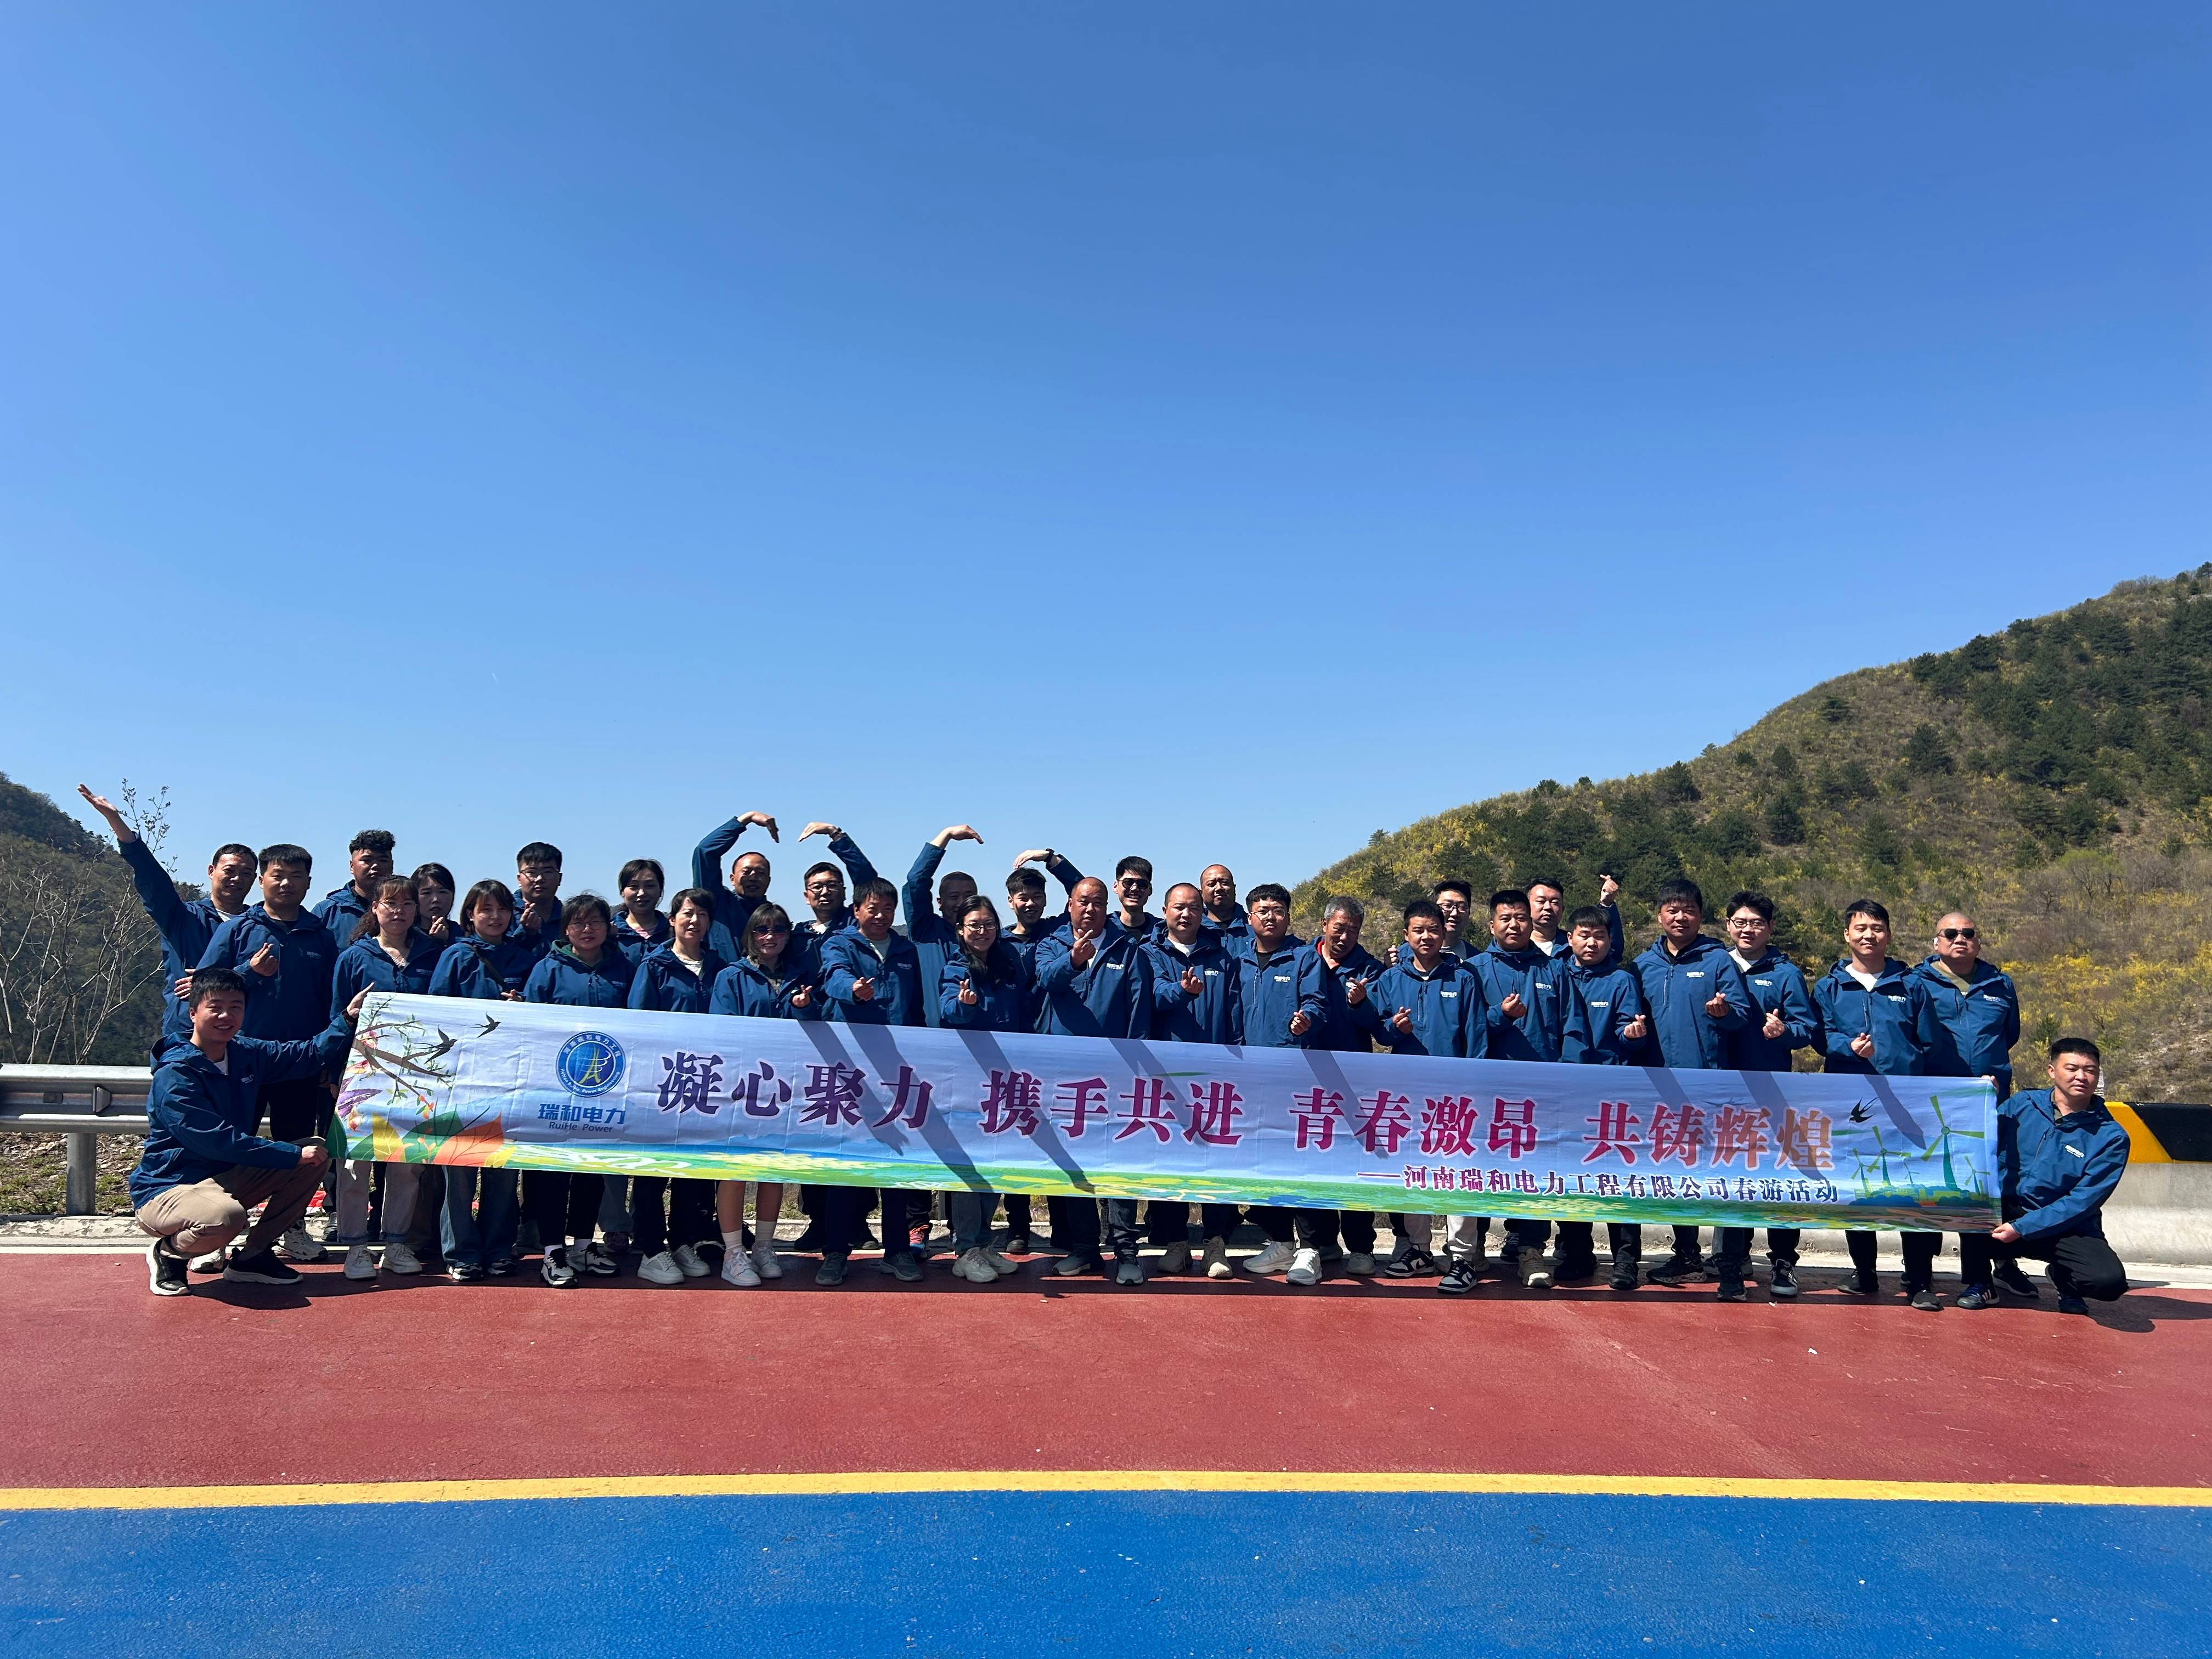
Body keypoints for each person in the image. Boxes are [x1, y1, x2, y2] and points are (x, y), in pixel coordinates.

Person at [132, 969, 364, 1296]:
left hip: (224, 1178)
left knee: (315, 1154)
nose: (226, 1016)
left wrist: (347, 1019)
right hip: (171, 1187)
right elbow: (214, 1140)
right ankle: (170, 1253)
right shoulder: (176, 1074)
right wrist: (290, 1154)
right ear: (194, 1012)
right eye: (216, 1007)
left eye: (236, 1007)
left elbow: (307, 1055)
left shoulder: (244, 1053)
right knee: (225, 1218)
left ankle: (252, 1257)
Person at [195, 843, 343, 1264]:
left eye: (296, 877)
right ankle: (217, 1234)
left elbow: (332, 1001)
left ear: (308, 883)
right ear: (262, 880)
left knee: (297, 1147)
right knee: (230, 1145)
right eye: (278, 875)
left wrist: (329, 1059)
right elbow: (206, 985)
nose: (286, 884)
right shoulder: (239, 929)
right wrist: (250, 973)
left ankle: (288, 1230)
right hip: (240, 1058)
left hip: (299, 1061)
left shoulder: (321, 936)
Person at [1811, 899, 1946, 1308]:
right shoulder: (1829, 987)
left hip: (1906, 1104)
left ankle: (1920, 1280)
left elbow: (1930, 1043)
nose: (1869, 935)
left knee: (1913, 1190)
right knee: (1858, 1189)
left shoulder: (1912, 985)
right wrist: (1847, 1047)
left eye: (1877, 928)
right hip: (1850, 1105)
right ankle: (1865, 1272)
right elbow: (1820, 1037)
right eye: (1861, 928)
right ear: (1847, 935)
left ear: (1888, 935)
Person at [1629, 878, 1753, 1287]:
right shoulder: (1643, 965)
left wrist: (1723, 1013)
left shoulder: (1718, 961)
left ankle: (1731, 1264)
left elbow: (1742, 1016)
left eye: (1689, 910)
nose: (1680, 917)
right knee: (1676, 1174)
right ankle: (1686, 1255)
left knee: (1718, 1175)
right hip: (1660, 1090)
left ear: (1701, 917)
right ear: (1659, 916)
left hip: (1709, 1087)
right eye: (1672, 910)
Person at [1034, 877, 1156, 1284]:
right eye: (1083, 902)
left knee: (1117, 1163)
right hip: (1065, 1078)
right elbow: (1045, 979)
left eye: (1098, 903)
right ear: (1070, 904)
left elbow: (1138, 1010)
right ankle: (1085, 1249)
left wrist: (1134, 1069)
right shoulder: (1052, 943)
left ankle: (1126, 1252)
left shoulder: (1127, 948)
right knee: (1075, 1165)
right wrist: (1072, 960)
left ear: (1108, 907)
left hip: (1115, 1077)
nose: (1090, 909)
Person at [1468, 888, 1590, 1288]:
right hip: (1490, 1093)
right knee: (1482, 1170)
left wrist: (1568, 1078)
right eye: (1505, 918)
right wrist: (1500, 1016)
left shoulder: (1554, 970)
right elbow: (1467, 1029)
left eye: (1521, 917)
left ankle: (1531, 1250)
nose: (1514, 925)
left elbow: (1574, 1027)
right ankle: (1474, 1248)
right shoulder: (1474, 970)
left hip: (1543, 1094)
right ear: (1491, 925)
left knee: (1535, 1172)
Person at [1957, 1039, 2130, 1314]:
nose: (2081, 1077)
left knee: (2108, 1282)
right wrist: (1984, 1100)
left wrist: (2023, 1228)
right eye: (2072, 1068)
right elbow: (1978, 1136)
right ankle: (1982, 1282)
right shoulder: (2022, 1104)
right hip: (2007, 1210)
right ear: (2052, 1071)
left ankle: (2065, 1279)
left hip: (2064, 1222)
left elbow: (2081, 1201)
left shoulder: (2111, 1137)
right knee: (1969, 1203)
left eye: (2090, 1070)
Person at [1368, 900, 1491, 1286]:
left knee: (1458, 1175)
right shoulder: (1391, 978)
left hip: (1455, 1096)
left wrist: (1474, 1088)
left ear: (1444, 934)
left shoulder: (1463, 978)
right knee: (1414, 1172)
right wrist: (1395, 1028)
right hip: (1408, 1093)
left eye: (1433, 930)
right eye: (1418, 930)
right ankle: (1419, 1249)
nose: (1426, 937)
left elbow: (1477, 1036)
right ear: (1406, 935)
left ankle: (1463, 1258)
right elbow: (1380, 1032)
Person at [326, 874, 442, 1280]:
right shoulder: (354, 958)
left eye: (407, 904)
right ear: (374, 909)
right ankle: (356, 1247)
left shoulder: (433, 956)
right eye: (390, 904)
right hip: (362, 1075)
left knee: (407, 1164)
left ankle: (396, 1244)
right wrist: (336, 1072)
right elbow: (337, 1016)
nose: (399, 911)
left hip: (418, 1078)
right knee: (355, 1164)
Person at [77, 785, 254, 1042]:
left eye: (246, 874)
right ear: (211, 871)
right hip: (186, 1035)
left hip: (246, 1037)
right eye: (229, 871)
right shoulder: (183, 918)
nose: (237, 879)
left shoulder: (258, 927)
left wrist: (218, 979)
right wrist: (116, 821)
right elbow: (152, 878)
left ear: (256, 880)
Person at [521, 893, 635, 1286]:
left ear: (608, 927)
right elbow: (532, 1027)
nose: (587, 930)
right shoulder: (547, 969)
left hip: (607, 1088)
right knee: (554, 1173)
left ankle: (584, 1246)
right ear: (566, 929)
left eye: (596, 922)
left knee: (591, 1170)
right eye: (578, 923)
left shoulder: (625, 968)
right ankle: (552, 1252)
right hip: (556, 1090)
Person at [817, 876, 928, 1283]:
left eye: (887, 909)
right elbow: (833, 977)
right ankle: (835, 1252)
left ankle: (896, 1251)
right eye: (873, 909)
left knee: (896, 1163)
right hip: (851, 1071)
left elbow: (916, 1007)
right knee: (846, 1164)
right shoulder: (839, 944)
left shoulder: (906, 950)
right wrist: (853, 990)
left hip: (896, 1072)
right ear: (857, 911)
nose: (880, 916)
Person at [1713, 890, 1821, 1302]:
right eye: (1740, 922)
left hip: (1773, 1092)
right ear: (1728, 925)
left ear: (1770, 928)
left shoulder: (1786, 973)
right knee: (1730, 1178)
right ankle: (1732, 1261)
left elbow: (1806, 1029)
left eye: (1756, 923)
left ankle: (1783, 1261)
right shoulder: (1715, 965)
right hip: (1724, 1093)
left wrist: (1784, 1032)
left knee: (1779, 1179)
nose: (1748, 930)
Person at [708, 901, 818, 1285]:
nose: (770, 937)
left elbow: (817, 1029)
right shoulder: (731, 977)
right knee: (736, 1169)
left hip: (787, 1088)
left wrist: (804, 1008)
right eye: (762, 930)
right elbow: (722, 1030)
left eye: (778, 930)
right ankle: (733, 1253)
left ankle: (765, 1247)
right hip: (741, 1088)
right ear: (750, 935)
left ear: (788, 936)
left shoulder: (802, 977)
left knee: (774, 1168)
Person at [625, 888, 727, 1286]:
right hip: (661, 1084)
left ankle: (683, 1241)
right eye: (687, 913)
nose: (694, 921)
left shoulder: (721, 968)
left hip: (705, 1084)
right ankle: (651, 1249)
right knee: (653, 1169)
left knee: (692, 1169)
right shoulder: (655, 966)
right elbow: (638, 1024)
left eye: (702, 915)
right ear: (672, 920)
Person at [429, 880, 531, 1279]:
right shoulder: (455, 956)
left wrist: (523, 1007)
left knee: (503, 1171)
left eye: (502, 909)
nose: (495, 917)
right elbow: (437, 1013)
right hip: (462, 1080)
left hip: (510, 1080)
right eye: (485, 909)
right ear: (469, 915)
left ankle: (500, 1249)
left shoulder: (525, 957)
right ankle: (461, 1254)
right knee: (459, 1172)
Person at [1142, 882, 1243, 1276]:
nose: (1186, 914)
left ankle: (1216, 1244)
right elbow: (1151, 997)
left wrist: (1240, 1059)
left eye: (1194, 908)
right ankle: (1176, 1242)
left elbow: (1234, 1010)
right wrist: (1182, 993)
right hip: (1168, 1077)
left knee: (1216, 1161)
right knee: (1171, 1160)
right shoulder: (1149, 953)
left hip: (1217, 1077)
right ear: (1165, 911)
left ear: (1203, 914)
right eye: (1179, 907)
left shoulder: (1221, 956)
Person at [1229, 884, 1324, 1278]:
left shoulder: (1304, 957)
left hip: (1293, 1078)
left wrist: (1306, 1019)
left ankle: (1311, 1249)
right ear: (1250, 916)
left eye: (1278, 910)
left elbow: (1317, 1002)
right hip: (1248, 1079)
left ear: (1288, 916)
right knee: (1262, 1163)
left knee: (1299, 1163)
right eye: (1263, 910)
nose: (1271, 917)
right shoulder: (1237, 958)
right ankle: (1282, 1243)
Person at [1296, 896, 1390, 1284]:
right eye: (1339, 928)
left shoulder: (1371, 969)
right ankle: (1317, 1243)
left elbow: (1380, 1028)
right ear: (1324, 925)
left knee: (1355, 1163)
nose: (1345, 936)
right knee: (1311, 1160)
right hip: (1307, 1076)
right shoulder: (1302, 960)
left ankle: (1361, 1246)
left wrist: (1361, 1005)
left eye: (1353, 930)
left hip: (1354, 1079)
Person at [938, 895, 1030, 1285]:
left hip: (1006, 1079)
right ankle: (965, 1250)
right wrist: (966, 1006)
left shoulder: (1009, 963)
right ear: (960, 931)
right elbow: (948, 1011)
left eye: (989, 923)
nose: (982, 931)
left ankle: (983, 1242)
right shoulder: (956, 967)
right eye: (974, 925)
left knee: (995, 1161)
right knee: (969, 1165)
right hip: (968, 1079)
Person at [1560, 906, 1651, 1289]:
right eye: (1584, 935)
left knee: (1619, 1179)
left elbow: (1630, 1030)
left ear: (1611, 940)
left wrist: (1632, 1035)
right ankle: (1577, 1255)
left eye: (1599, 936)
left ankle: (1626, 1260)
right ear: (1570, 939)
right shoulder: (1558, 973)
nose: (1592, 943)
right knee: (1570, 1177)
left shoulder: (1621, 980)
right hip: (1567, 1094)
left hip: (1612, 1096)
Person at [1914, 912, 2022, 1099]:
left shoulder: (2000, 984)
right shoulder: (1916, 982)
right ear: (1936, 944)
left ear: (1978, 943)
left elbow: (2010, 1034)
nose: (1960, 940)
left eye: (1968, 934)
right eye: (1950, 934)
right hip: (1934, 1094)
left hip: (1990, 1091)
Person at [903, 823, 985, 1031]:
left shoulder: (986, 938)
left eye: (969, 896)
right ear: (939, 902)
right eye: (954, 897)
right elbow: (916, 881)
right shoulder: (925, 930)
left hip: (978, 1038)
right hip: (929, 1035)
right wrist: (946, 835)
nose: (961, 903)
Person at [791, 822, 880, 979]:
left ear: (844, 892)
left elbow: (867, 881)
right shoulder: (797, 937)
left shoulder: (855, 922)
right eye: (817, 887)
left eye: (832, 885)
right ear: (807, 897)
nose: (825, 892)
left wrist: (835, 834)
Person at [690, 809, 780, 961]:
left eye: (760, 873)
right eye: (746, 872)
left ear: (769, 881)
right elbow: (705, 852)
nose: (753, 877)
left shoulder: (775, 918)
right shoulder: (717, 903)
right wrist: (745, 820)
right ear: (732, 879)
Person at [313, 830, 397, 942]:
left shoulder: (407, 910)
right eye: (367, 860)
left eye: (383, 860)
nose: (376, 866)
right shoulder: (327, 912)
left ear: (392, 865)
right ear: (352, 866)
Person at [1526, 874, 1623, 966]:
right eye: (1541, 901)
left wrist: (1607, 905)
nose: (1548, 907)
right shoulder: (1519, 945)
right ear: (1526, 907)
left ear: (1562, 909)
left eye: (1555, 902)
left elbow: (1612, 954)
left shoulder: (1574, 944)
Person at [611, 857, 672, 967]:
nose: (641, 893)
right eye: (634, 886)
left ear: (660, 891)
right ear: (622, 892)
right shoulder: (608, 934)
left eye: (650, 886)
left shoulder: (673, 934)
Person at [511, 842, 566, 959]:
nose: (540, 879)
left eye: (548, 872)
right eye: (532, 873)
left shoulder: (570, 918)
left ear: (560, 878)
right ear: (519, 879)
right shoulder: (502, 914)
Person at [410, 862, 460, 949]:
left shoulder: (464, 936)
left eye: (443, 892)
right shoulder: (403, 936)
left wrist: (446, 942)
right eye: (426, 893)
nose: (436, 899)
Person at [1111, 856, 1160, 941]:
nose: (1134, 888)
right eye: (1128, 883)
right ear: (1116, 886)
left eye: (1142, 884)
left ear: (1150, 889)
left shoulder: (1162, 931)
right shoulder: (1102, 929)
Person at [1199, 865, 1248, 938]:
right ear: (1201, 893)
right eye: (1212, 885)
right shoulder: (1194, 930)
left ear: (1234, 889)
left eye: (1225, 883)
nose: (1219, 888)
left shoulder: (1255, 926)